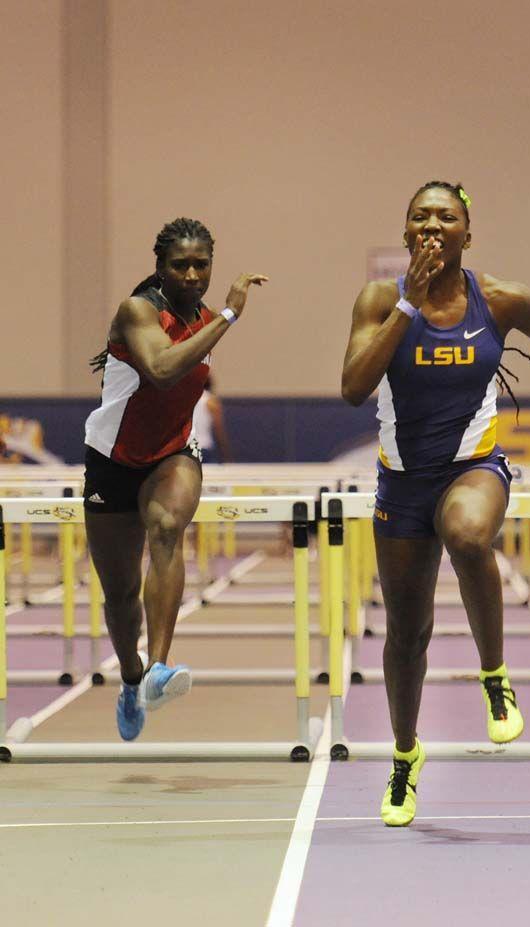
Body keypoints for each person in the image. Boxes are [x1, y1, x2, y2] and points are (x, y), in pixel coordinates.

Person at [341, 181, 530, 827]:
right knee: (407, 634)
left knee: (468, 534)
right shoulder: (379, 298)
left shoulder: (499, 298)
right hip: (402, 482)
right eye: (420, 216)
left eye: (446, 217)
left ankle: (494, 673)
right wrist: (407, 303)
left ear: (466, 234)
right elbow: (352, 387)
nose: (432, 225)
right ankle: (405, 756)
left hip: (475, 465)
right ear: (405, 233)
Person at [84, 217, 267, 741]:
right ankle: (132, 675)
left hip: (172, 454)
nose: (191, 273)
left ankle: (159, 669)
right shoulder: (138, 311)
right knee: (119, 594)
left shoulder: (205, 317)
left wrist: (218, 317)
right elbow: (161, 369)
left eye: (201, 264)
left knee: (167, 529)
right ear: (160, 266)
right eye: (179, 264)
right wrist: (230, 314)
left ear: (212, 265)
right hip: (112, 460)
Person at [192, 374, 232, 463]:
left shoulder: (188, 400)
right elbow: (218, 428)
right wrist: (225, 452)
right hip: (204, 446)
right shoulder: (211, 401)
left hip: (189, 447)